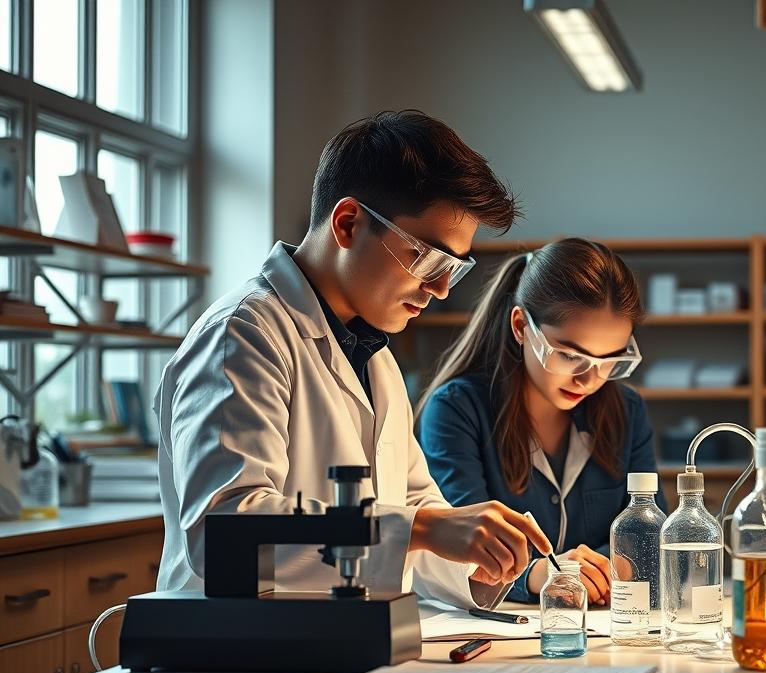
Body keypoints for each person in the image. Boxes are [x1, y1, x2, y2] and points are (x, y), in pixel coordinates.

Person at [156, 110, 549, 608]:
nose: (442, 289)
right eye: (428, 258)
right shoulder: (242, 334)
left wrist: (484, 565)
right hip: (238, 660)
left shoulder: (372, 354)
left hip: (343, 644)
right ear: (348, 223)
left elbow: (411, 511)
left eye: (454, 267)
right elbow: (223, 536)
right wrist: (424, 527)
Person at [417, 238, 666, 605]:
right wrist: (544, 574)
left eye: (610, 361)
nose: (588, 379)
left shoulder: (626, 410)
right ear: (521, 327)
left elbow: (649, 533)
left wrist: (609, 569)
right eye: (569, 355)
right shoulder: (457, 411)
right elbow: (463, 551)